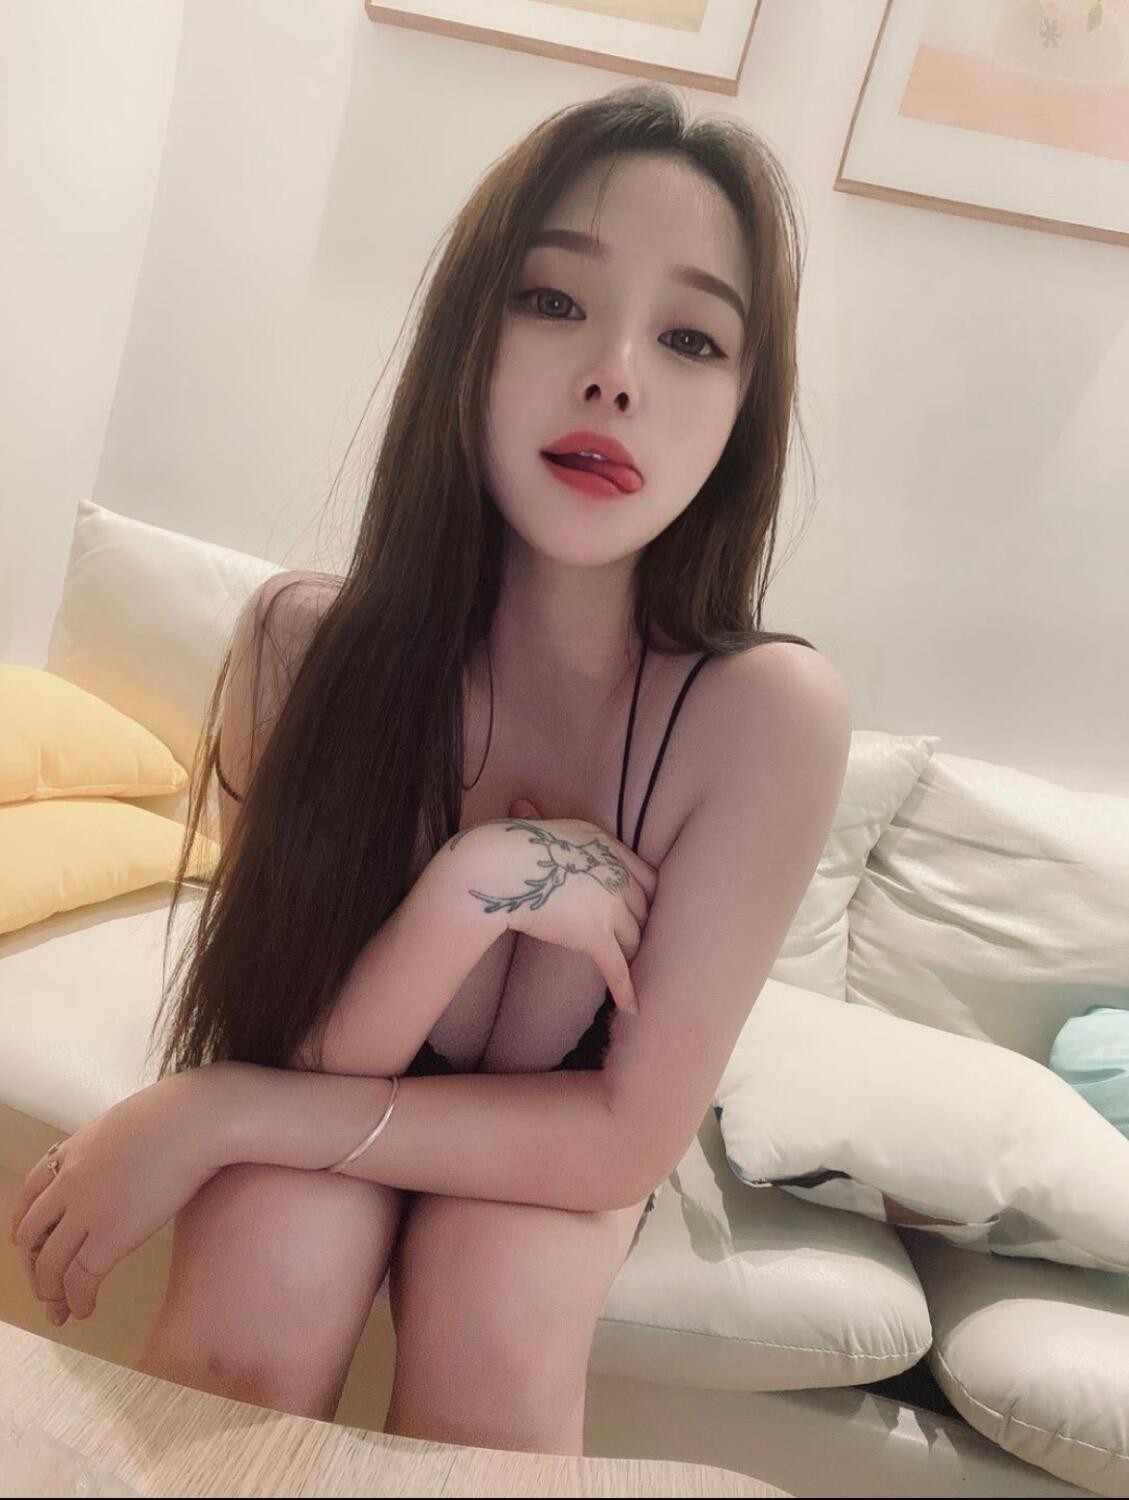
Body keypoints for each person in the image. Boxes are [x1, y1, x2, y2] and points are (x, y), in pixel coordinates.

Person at [10, 82, 851, 1457]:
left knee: (497, 1314)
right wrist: (465, 892)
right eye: (554, 300)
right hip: (336, 1064)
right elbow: (294, 1033)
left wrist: (216, 1111)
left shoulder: (764, 717)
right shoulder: (298, 649)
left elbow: (622, 1139)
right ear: (467, 334)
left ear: (743, 412)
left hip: (570, 1138)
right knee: (265, 1276)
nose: (616, 375)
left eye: (692, 337)